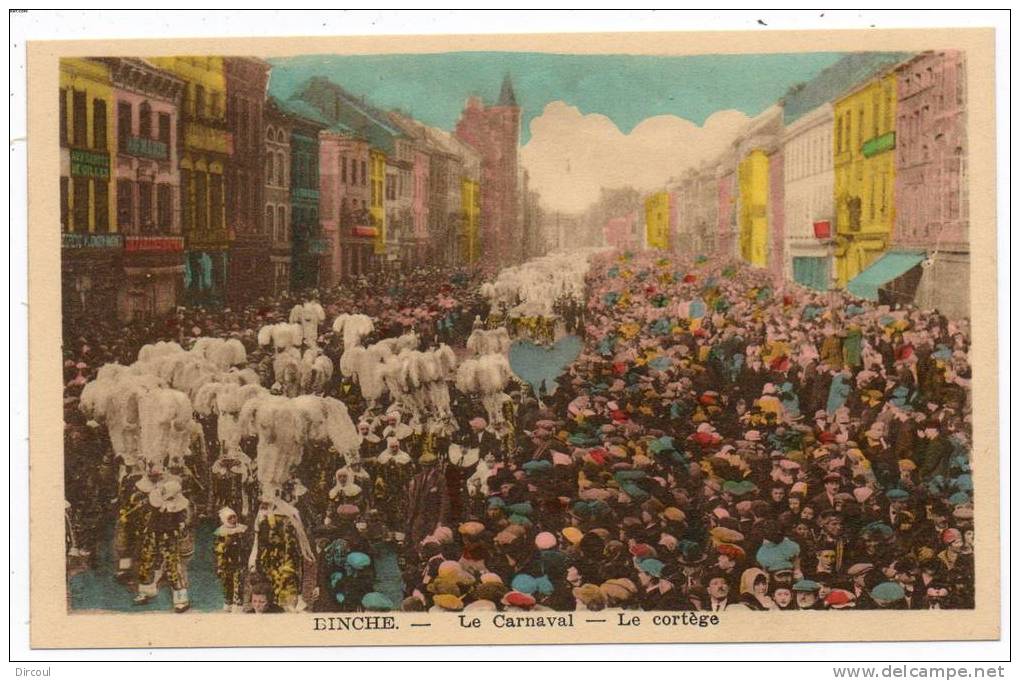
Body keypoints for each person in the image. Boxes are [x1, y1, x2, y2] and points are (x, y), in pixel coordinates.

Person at [134, 479, 192, 613]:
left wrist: (180, 528)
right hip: (152, 534)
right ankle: (146, 591)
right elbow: (145, 516)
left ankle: (181, 599)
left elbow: (184, 521)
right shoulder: (153, 500)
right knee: (147, 561)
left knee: (173, 565)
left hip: (169, 536)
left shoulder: (179, 508)